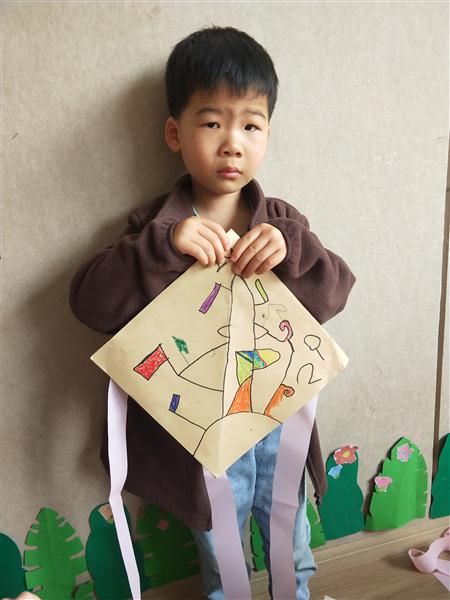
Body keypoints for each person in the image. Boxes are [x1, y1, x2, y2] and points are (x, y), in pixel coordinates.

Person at [70, 26, 356, 600]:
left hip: (279, 419)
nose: (232, 143)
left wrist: (292, 249)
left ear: (268, 134)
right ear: (174, 133)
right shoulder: (154, 228)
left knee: (290, 544)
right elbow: (90, 303)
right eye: (212, 123)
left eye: (251, 125)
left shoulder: (281, 222)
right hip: (205, 436)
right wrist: (164, 244)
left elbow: (335, 294)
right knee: (225, 559)